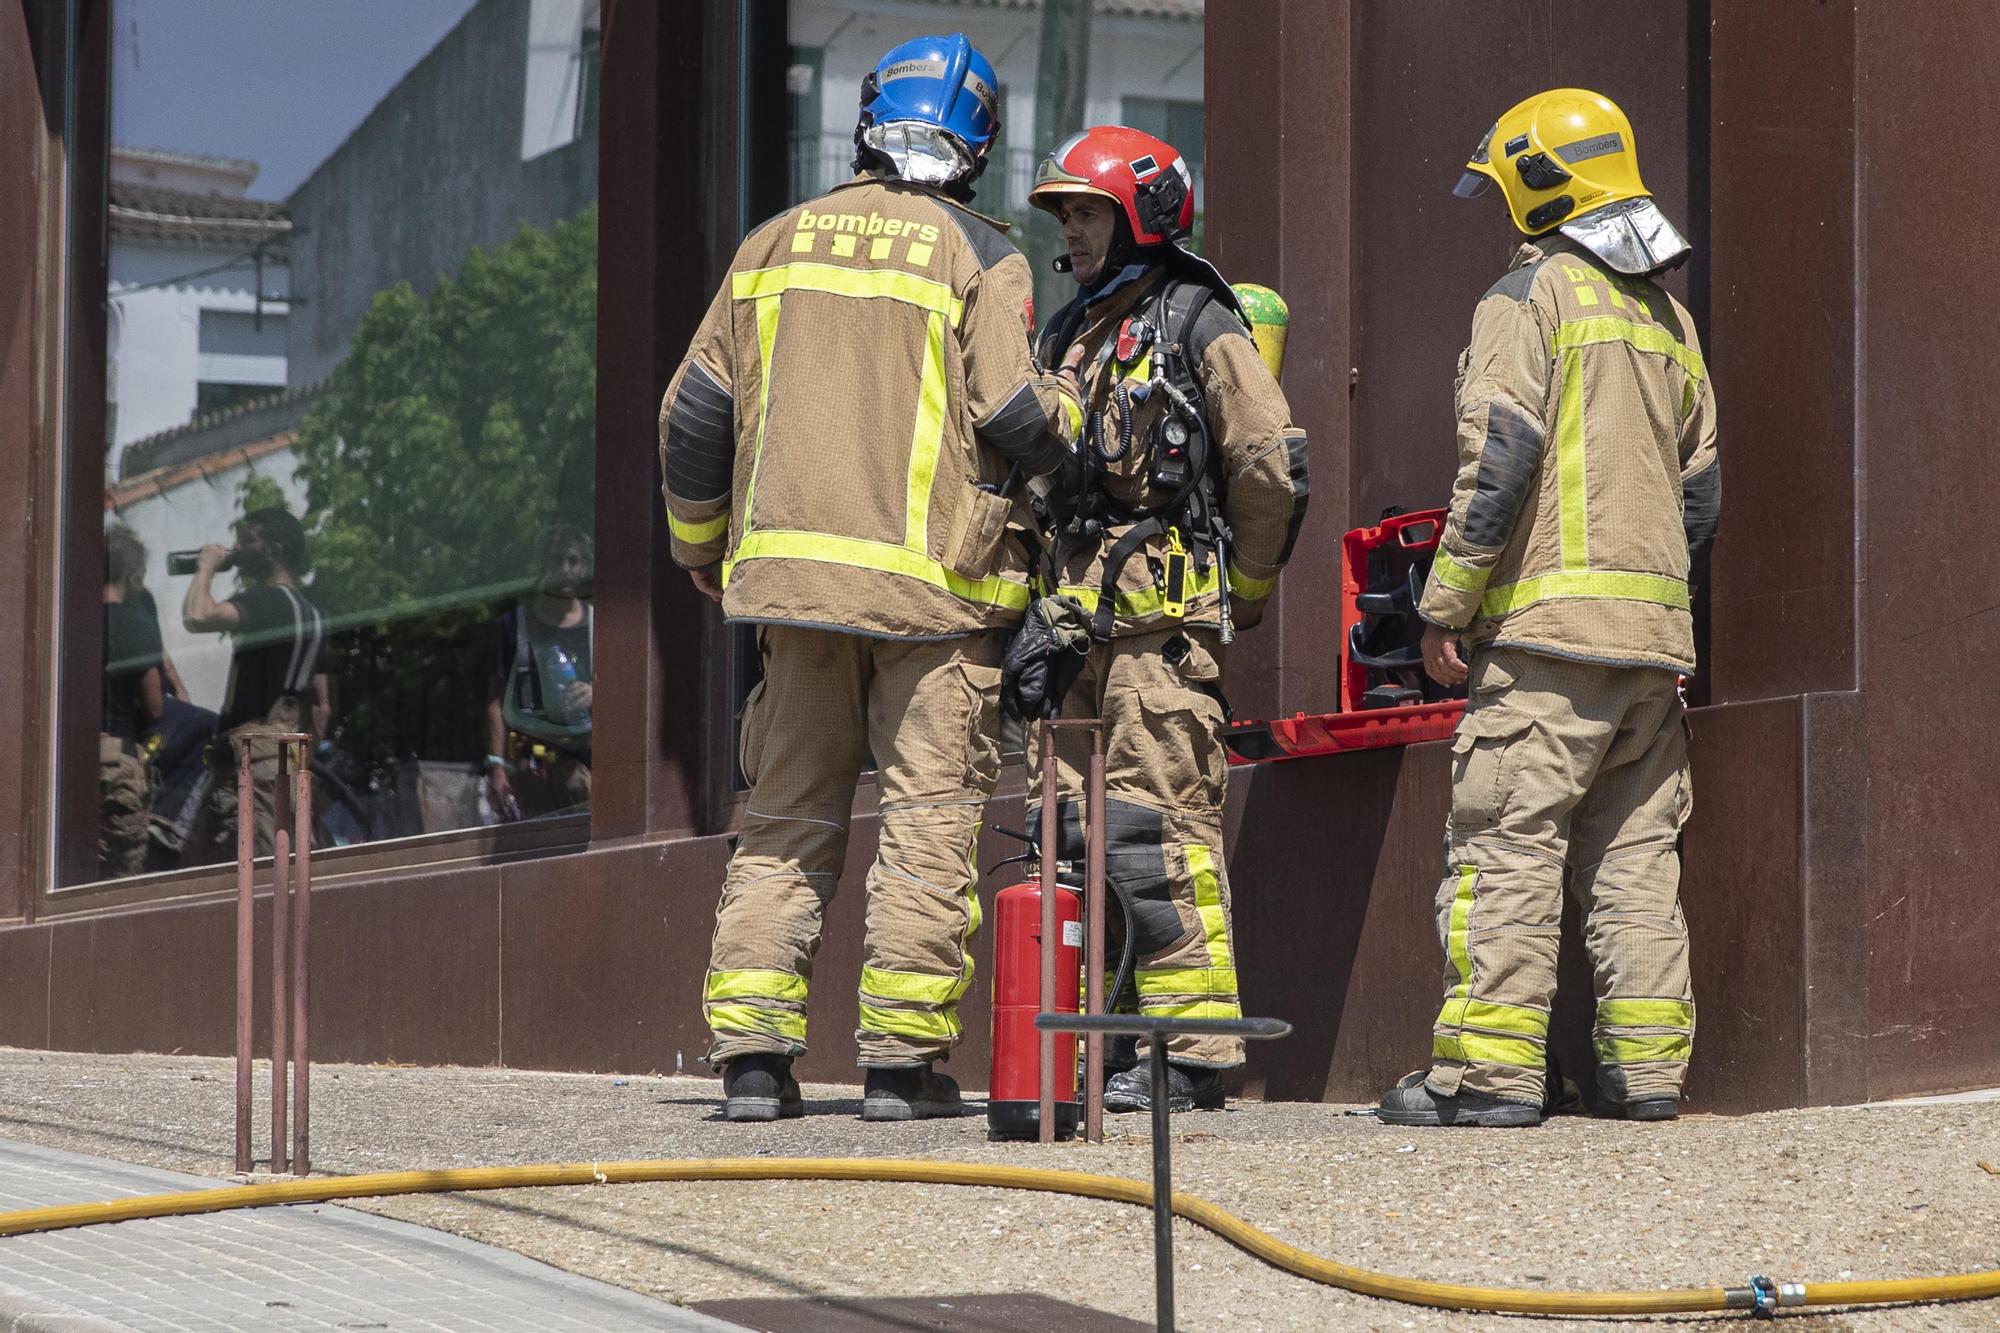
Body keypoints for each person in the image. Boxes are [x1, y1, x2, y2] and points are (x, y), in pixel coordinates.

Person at [660, 33, 1082, 1123]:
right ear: (978, 142)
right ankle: (900, 1067)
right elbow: (1015, 417)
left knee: (785, 818)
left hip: (792, 596)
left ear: (864, 122)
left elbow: (692, 414)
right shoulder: (980, 255)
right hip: (939, 604)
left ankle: (753, 1060)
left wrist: (700, 548)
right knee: (926, 823)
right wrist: (1077, 406)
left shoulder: (768, 246)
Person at [1375, 89, 1720, 1129]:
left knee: (1504, 846)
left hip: (1540, 640)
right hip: (1649, 647)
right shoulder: (1666, 317)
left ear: (1536, 183)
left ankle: (1485, 1078)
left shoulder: (1527, 298)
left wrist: (1444, 606)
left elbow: (1500, 461)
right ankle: (1647, 1073)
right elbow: (1697, 492)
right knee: (1632, 857)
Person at [1022, 126, 1310, 1113]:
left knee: (1153, 836)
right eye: (1063, 212)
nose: (1071, 227)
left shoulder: (1196, 318)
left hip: (1155, 642)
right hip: (1069, 644)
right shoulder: (1065, 332)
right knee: (1065, 841)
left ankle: (1191, 1052)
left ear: (1143, 213)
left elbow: (1269, 462)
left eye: (1087, 208)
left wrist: (1251, 587)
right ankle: (1097, 1042)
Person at [182, 507, 331, 860]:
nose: (238, 548)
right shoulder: (313, 615)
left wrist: (206, 566)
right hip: (290, 759)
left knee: (245, 874)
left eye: (249, 540)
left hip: (256, 759)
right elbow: (323, 707)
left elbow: (197, 615)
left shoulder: (265, 601)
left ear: (273, 549)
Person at [486, 523, 593, 819]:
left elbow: (627, 697)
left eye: (573, 561)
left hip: (589, 766)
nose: (564, 569)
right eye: (556, 560)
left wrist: (598, 694)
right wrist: (497, 766)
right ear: (542, 564)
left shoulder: (600, 626)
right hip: (530, 766)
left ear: (584, 568)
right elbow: (496, 702)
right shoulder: (515, 625)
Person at [101, 525, 164, 878]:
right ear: (133, 574)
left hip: (60, 766)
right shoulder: (139, 625)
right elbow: (155, 704)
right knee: (120, 879)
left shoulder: (67, 620)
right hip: (115, 763)